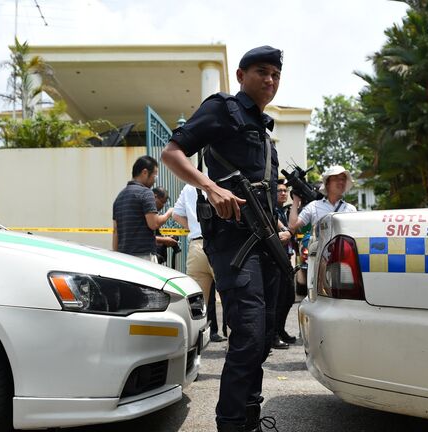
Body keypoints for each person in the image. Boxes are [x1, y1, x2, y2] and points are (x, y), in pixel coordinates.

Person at [161, 45, 290, 432]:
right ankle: (231, 424)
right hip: (234, 242)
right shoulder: (223, 109)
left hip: (265, 240)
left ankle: (249, 415)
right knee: (249, 332)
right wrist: (209, 187)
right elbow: (172, 152)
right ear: (240, 75)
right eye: (262, 71)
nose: (270, 80)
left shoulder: (266, 134)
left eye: (276, 75)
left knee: (264, 335)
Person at [172, 184, 226, 342]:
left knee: (195, 302)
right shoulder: (224, 179)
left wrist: (195, 228)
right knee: (231, 299)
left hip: (196, 246)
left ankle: (192, 344)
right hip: (221, 245)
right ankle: (235, 347)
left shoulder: (189, 186)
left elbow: (176, 214)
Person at [112, 155, 173, 262]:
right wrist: (169, 213)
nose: (155, 180)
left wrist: (117, 257)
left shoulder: (119, 197)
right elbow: (153, 224)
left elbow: (116, 231)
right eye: (155, 176)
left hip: (123, 257)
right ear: (145, 172)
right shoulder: (146, 193)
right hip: (143, 257)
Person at [288, 165, 358, 235]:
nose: (341, 182)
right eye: (336, 179)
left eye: (343, 179)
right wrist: (296, 200)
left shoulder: (351, 209)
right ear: (327, 184)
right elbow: (292, 225)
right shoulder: (313, 206)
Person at [272, 180, 296, 349]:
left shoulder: (283, 211)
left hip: (285, 258)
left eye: (285, 190)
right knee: (277, 299)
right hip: (274, 259)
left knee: (288, 297)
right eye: (279, 190)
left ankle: (280, 330)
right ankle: (273, 335)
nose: (283, 193)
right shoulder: (271, 211)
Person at [153, 187, 179, 265]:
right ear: (155, 197)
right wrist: (168, 213)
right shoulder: (147, 212)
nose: (163, 206)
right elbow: (145, 238)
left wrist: (166, 240)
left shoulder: (154, 213)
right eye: (162, 202)